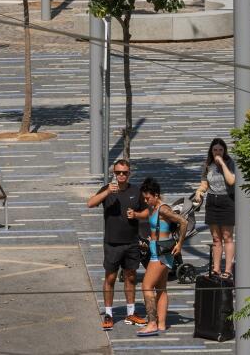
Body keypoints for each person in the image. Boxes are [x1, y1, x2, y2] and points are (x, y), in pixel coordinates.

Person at [87, 158, 147, 328]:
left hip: (132, 242)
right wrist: (106, 192)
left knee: (131, 276)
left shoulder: (136, 191)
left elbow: (146, 212)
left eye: (124, 173)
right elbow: (90, 203)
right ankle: (108, 314)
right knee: (110, 277)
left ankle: (131, 313)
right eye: (118, 172)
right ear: (114, 173)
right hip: (112, 243)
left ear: (129, 174)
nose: (121, 175)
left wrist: (136, 215)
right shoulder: (107, 189)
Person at [126, 177, 185, 336]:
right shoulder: (153, 207)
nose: (146, 200)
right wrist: (136, 214)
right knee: (161, 289)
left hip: (161, 253)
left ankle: (152, 323)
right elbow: (147, 214)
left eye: (148, 198)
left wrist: (179, 244)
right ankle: (161, 324)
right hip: (156, 250)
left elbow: (183, 222)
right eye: (144, 198)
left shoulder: (163, 209)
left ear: (156, 195)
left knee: (146, 286)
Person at [195, 138, 236, 279]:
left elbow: (231, 181)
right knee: (216, 238)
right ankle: (216, 269)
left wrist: (222, 164)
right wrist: (199, 191)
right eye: (215, 150)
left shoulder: (230, 162)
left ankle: (228, 270)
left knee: (227, 237)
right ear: (211, 151)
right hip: (212, 201)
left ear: (224, 151)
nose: (217, 152)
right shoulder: (207, 164)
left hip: (227, 200)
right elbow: (204, 184)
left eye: (220, 150)